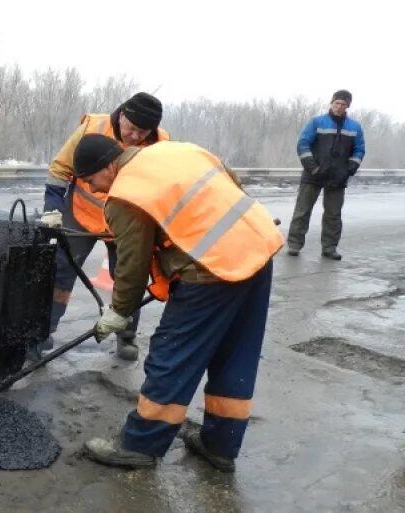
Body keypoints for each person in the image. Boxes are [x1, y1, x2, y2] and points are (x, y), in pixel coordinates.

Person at [71, 134, 283, 472]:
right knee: (235, 353)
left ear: (108, 166)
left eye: (92, 181)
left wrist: (118, 313)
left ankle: (140, 445)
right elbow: (232, 182)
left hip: (209, 270)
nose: (95, 191)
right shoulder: (179, 150)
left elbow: (132, 266)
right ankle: (221, 445)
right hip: (257, 250)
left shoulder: (125, 195)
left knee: (172, 354)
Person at [35, 92, 169, 362]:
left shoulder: (160, 144)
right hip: (81, 213)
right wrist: (52, 209)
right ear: (121, 115)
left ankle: (126, 334)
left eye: (141, 132)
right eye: (130, 127)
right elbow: (60, 168)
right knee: (61, 269)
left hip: (125, 220)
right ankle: (43, 330)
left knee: (131, 274)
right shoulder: (93, 126)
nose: (133, 136)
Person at [287, 89, 365, 261]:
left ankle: (329, 248)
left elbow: (359, 150)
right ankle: (294, 244)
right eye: (336, 103)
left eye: (343, 104)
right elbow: (303, 145)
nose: (339, 107)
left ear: (347, 107)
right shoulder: (316, 122)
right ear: (331, 103)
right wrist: (313, 168)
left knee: (333, 215)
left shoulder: (355, 127)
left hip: (338, 177)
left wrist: (349, 169)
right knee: (302, 211)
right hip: (313, 175)